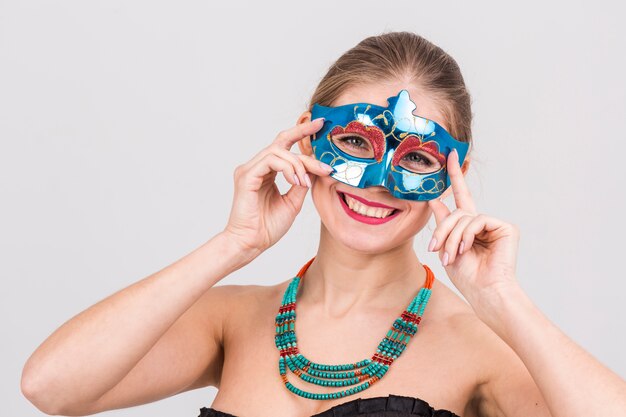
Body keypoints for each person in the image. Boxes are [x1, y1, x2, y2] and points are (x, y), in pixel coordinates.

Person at [20, 31, 626, 417]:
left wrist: (503, 299)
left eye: (415, 157)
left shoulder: (482, 347)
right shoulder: (232, 321)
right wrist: (234, 245)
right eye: (356, 143)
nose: (381, 179)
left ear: (454, 173)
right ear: (308, 139)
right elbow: (50, 388)